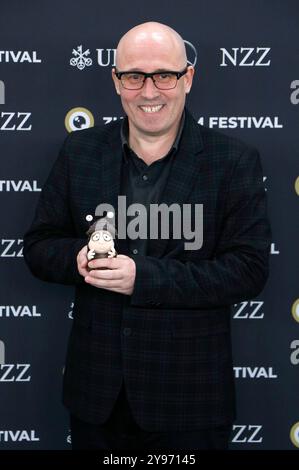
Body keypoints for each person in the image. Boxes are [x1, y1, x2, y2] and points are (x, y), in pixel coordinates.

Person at [23, 21, 271, 451]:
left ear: (188, 78)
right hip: (96, 395)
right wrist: (78, 259)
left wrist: (144, 278)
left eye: (165, 75)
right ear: (116, 80)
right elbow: (40, 245)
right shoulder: (79, 151)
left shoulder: (233, 161)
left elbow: (248, 271)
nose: (150, 91)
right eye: (134, 76)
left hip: (190, 399)